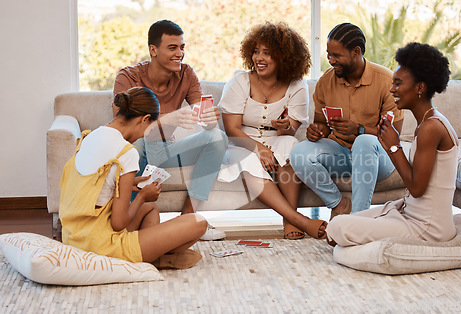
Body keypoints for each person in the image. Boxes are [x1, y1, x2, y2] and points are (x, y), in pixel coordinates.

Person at [59, 87, 207, 269]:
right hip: (100, 245)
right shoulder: (126, 152)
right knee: (199, 223)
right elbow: (118, 223)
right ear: (145, 120)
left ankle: (150, 254)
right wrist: (143, 196)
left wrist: (132, 184)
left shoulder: (90, 136)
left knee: (150, 209)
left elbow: (95, 185)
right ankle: (152, 260)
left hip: (74, 237)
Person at [326, 42, 458, 246]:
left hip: (427, 227)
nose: (391, 88)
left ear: (420, 87)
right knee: (337, 227)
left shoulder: (431, 128)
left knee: (338, 228)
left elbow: (417, 189)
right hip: (411, 213)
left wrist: (393, 146)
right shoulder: (427, 121)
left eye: (398, 83)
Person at [113, 20, 228, 241]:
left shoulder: (186, 74)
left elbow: (202, 117)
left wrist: (210, 119)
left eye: (182, 47)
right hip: (140, 148)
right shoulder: (128, 77)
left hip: (168, 149)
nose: (180, 53)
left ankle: (189, 216)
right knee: (137, 143)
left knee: (217, 137)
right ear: (153, 50)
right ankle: (128, 222)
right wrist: (166, 119)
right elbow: (124, 124)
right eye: (173, 48)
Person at [218, 22, 327, 240]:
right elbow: (231, 129)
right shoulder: (240, 81)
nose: (259, 58)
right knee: (247, 160)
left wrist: (286, 127)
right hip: (242, 141)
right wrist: (258, 148)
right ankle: (298, 219)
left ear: (284, 57)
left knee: (291, 148)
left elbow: (292, 131)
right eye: (256, 51)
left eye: (267, 53)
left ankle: (288, 220)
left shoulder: (297, 85)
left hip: (277, 139)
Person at [289, 23, 404, 220]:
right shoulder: (326, 82)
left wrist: (359, 129)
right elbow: (322, 125)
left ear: (356, 52)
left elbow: (393, 135)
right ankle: (339, 204)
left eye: (336, 55)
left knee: (364, 141)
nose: (331, 60)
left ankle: (359, 218)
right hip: (341, 155)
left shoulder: (385, 80)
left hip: (378, 157)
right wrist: (316, 131)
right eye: (328, 54)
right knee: (299, 153)